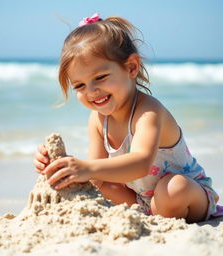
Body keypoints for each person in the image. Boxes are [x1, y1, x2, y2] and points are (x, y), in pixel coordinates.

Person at [33, 13, 220, 223]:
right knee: (100, 184)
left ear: (131, 67)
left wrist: (86, 167)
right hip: (141, 201)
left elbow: (140, 163)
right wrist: (62, 165)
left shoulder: (149, 111)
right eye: (79, 86)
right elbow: (95, 174)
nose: (92, 91)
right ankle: (150, 214)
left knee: (173, 187)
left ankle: (161, 213)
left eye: (100, 77)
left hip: (188, 195)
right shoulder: (97, 120)